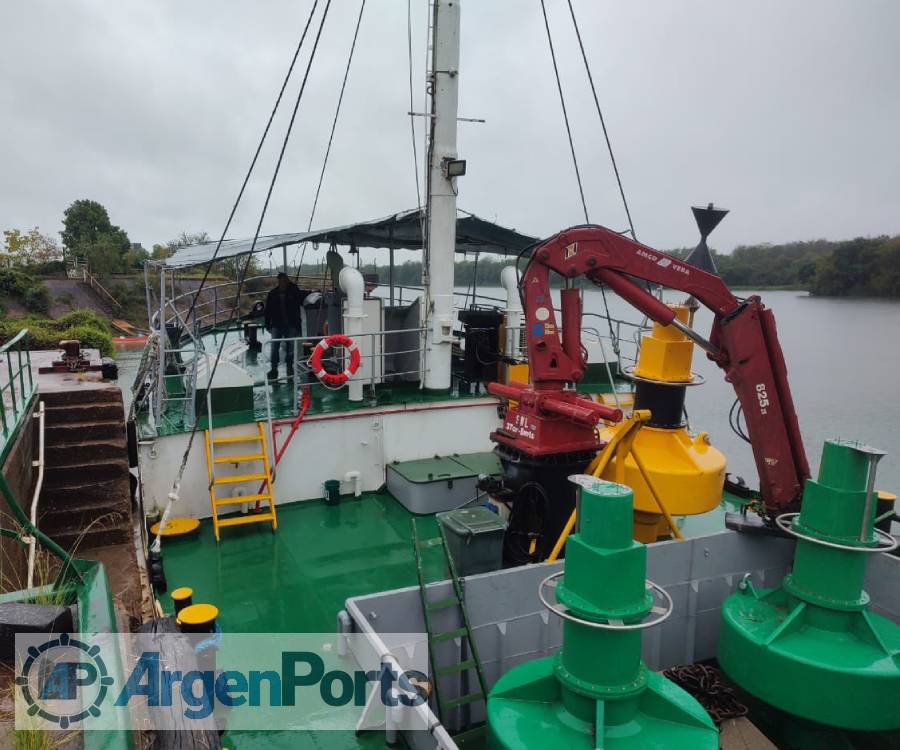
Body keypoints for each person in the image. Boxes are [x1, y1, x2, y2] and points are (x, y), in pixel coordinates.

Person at [264, 272, 304, 380]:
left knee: (290, 348)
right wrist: (267, 325)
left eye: (285, 280)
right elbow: (268, 311)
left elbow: (300, 299)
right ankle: (273, 369)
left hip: (290, 325)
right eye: (281, 280)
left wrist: (292, 285)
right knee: (274, 348)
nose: (283, 282)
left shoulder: (293, 291)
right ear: (278, 281)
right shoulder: (272, 294)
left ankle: (289, 367)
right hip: (276, 325)